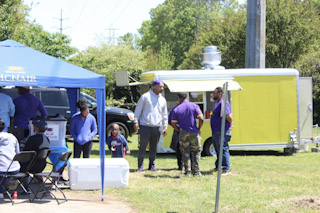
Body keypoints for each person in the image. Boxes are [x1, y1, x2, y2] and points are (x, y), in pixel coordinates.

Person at [134, 80, 168, 172]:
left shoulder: (162, 99)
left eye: (162, 87)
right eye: (160, 86)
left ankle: (152, 165)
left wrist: (165, 127)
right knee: (143, 146)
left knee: (154, 147)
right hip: (145, 126)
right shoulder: (145, 97)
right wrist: (135, 121)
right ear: (154, 86)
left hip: (157, 126)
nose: (162, 88)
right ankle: (140, 166)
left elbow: (164, 114)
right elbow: (138, 110)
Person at [171, 93, 204, 177]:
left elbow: (173, 123)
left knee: (185, 152)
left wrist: (178, 129)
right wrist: (199, 128)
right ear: (186, 97)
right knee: (196, 152)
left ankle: (187, 172)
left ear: (179, 98)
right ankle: (196, 172)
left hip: (183, 132)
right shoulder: (194, 106)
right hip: (194, 132)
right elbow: (201, 118)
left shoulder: (177, 109)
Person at [210, 87, 233, 175]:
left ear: (220, 93)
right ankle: (219, 166)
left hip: (222, 130)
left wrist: (230, 123)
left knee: (223, 148)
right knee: (217, 148)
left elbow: (228, 116)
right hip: (216, 130)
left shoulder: (224, 103)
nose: (213, 95)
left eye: (215, 93)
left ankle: (227, 168)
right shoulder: (218, 103)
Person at [0, 119, 20, 198]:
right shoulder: (12, 137)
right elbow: (18, 153)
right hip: (14, 168)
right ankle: (7, 189)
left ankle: (1, 191)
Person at [168, 101, 182, 170]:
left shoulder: (174, 109)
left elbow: (170, 121)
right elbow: (170, 120)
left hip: (178, 129)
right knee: (179, 148)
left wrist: (175, 127)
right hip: (181, 130)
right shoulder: (174, 110)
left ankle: (181, 165)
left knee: (179, 147)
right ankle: (181, 165)